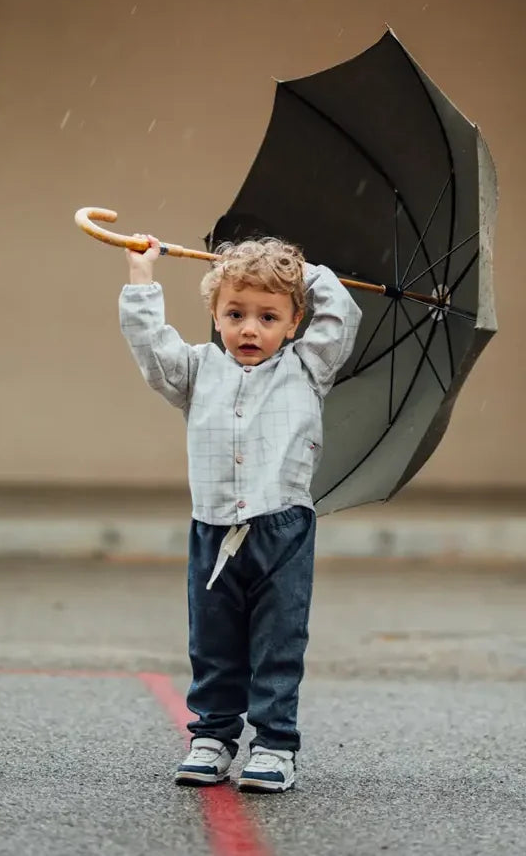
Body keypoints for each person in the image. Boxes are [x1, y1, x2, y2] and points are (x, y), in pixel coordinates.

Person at [119, 233, 362, 793]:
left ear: (295, 321)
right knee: (213, 640)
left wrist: (307, 271)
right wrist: (142, 277)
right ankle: (213, 735)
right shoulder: (199, 370)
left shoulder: (308, 368)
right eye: (235, 313)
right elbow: (153, 351)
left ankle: (275, 745)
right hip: (212, 527)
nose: (250, 328)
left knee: (278, 641)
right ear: (215, 314)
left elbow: (342, 317)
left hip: (282, 528)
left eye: (268, 316)